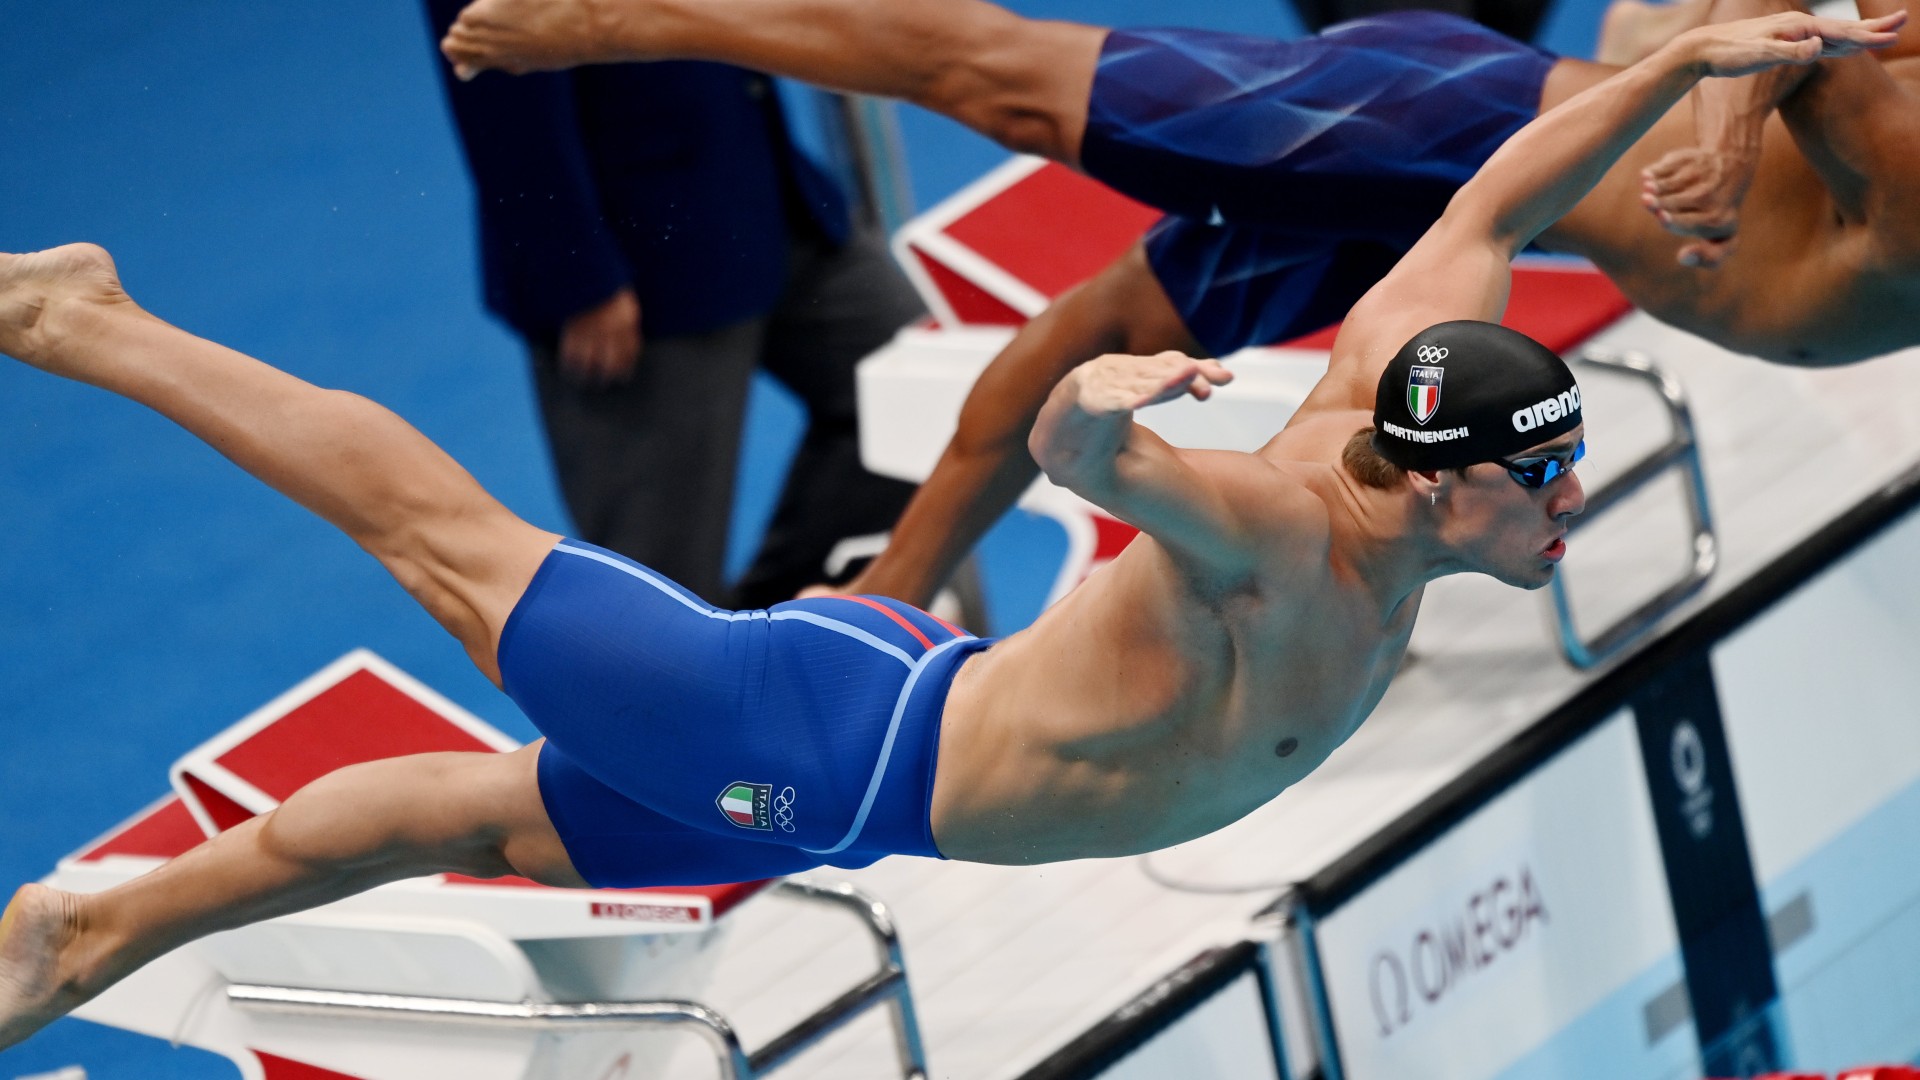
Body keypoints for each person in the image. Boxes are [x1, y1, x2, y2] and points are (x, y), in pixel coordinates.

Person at [0, 9, 1899, 1050]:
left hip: (898, 722)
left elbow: (1494, 187)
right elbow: (1087, 450)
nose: (1564, 505)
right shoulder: (1280, 525)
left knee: (485, 813)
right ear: (1452, 476)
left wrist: (1666, 73)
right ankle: (96, 320)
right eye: (1544, 477)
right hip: (822, 751)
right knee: (447, 549)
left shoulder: (1389, 393)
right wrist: (1108, 417)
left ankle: (88, 931)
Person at [444, 0, 1920, 611]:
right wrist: (1725, 136)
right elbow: (1806, 34)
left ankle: (879, 616)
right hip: (1456, 121)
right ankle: (617, 19)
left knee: (1062, 358)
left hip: (1481, 207)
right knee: (1005, 86)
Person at [423, 0, 925, 607]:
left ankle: (758, 641)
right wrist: (575, 277)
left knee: (919, 394)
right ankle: (703, 671)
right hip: (637, 254)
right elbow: (496, 81)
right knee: (658, 576)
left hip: (763, 185)